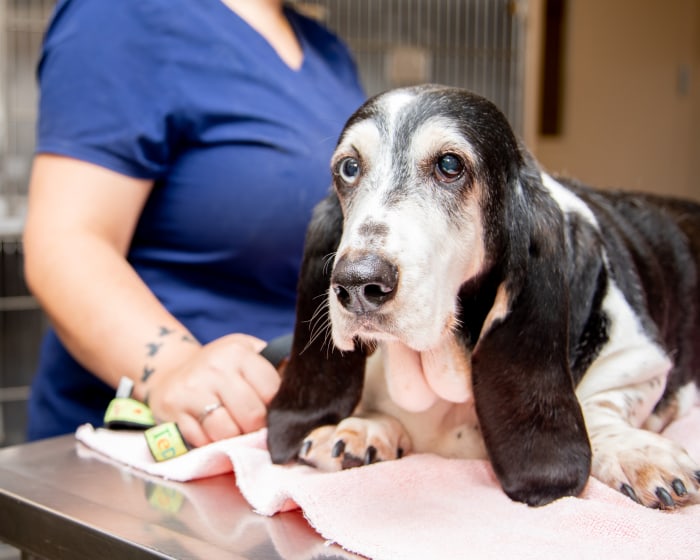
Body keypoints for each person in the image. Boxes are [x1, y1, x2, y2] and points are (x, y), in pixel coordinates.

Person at [23, 0, 365, 447]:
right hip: (145, 453)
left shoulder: (327, 53)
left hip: (294, 435)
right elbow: (67, 241)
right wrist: (171, 368)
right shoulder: (121, 14)